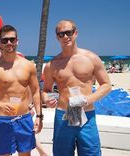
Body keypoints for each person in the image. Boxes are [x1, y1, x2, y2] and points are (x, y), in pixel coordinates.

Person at [42, 20, 111, 156]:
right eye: (61, 34)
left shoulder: (91, 58)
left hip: (86, 114)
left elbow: (106, 85)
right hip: (64, 115)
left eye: (69, 32)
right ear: (57, 37)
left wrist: (89, 98)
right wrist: (46, 100)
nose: (66, 37)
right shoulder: (52, 64)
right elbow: (46, 90)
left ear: (76, 33)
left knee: (91, 153)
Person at [0, 25, 43, 156]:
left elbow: (35, 91)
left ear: (17, 41)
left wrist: (39, 116)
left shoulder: (28, 66)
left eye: (12, 39)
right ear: (0, 43)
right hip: (3, 120)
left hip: (24, 118)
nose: (9, 43)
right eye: (5, 40)